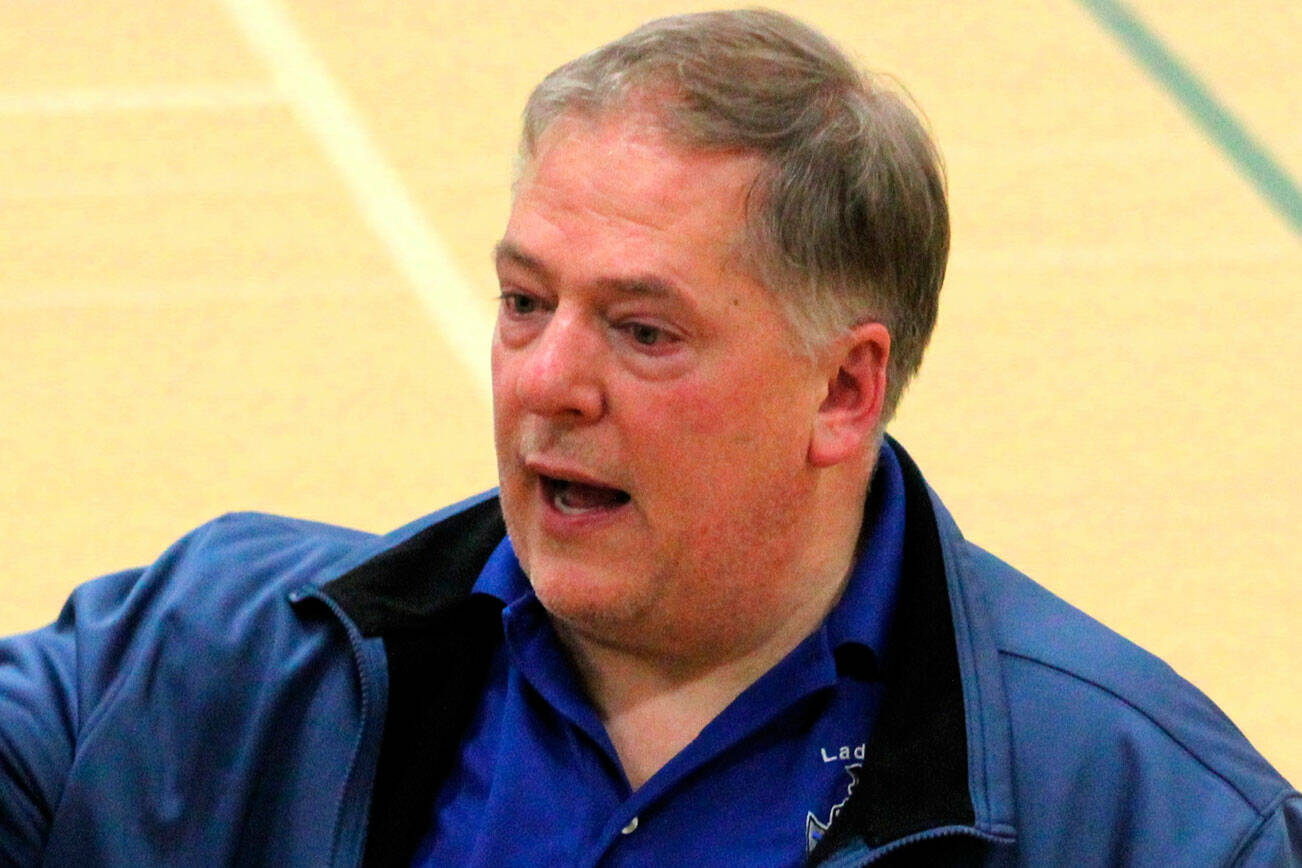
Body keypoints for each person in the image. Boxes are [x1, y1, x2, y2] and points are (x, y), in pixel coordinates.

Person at [1, 9, 1297, 867]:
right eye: (523, 302)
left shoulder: (1143, 820)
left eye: (642, 331)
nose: (545, 380)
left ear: (844, 390)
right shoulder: (204, 665)